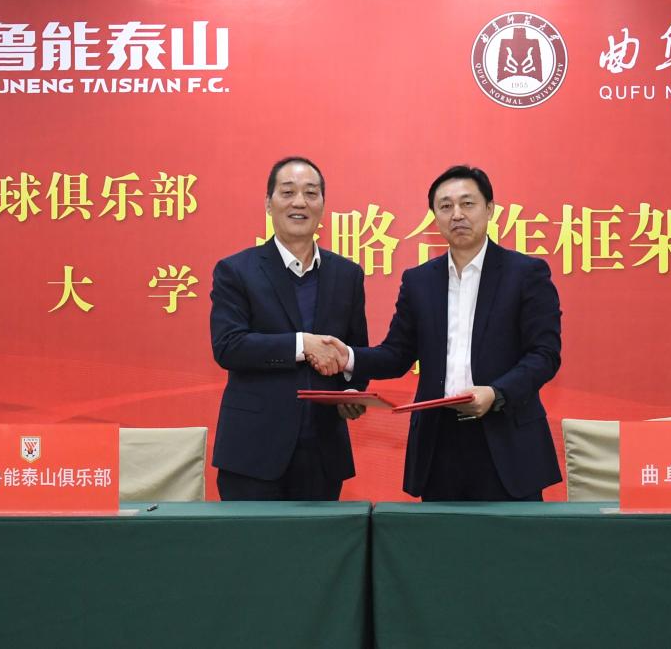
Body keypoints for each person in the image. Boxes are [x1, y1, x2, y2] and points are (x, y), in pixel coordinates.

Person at [321, 165, 562, 501]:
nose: (457, 214)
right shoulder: (419, 281)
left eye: (468, 203)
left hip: (507, 437)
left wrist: (496, 393)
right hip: (439, 443)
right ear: (434, 216)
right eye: (445, 206)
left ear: (490, 209)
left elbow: (544, 355)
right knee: (440, 535)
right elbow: (397, 355)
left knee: (512, 537)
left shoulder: (526, 273)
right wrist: (348, 357)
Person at [210, 156, 368, 500]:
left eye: (311, 193)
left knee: (321, 539)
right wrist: (302, 345)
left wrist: (353, 391)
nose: (300, 202)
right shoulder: (236, 271)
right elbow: (228, 346)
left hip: (322, 454)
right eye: (288, 192)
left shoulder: (347, 275)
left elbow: (355, 354)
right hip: (252, 453)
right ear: (269, 204)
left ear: (322, 205)